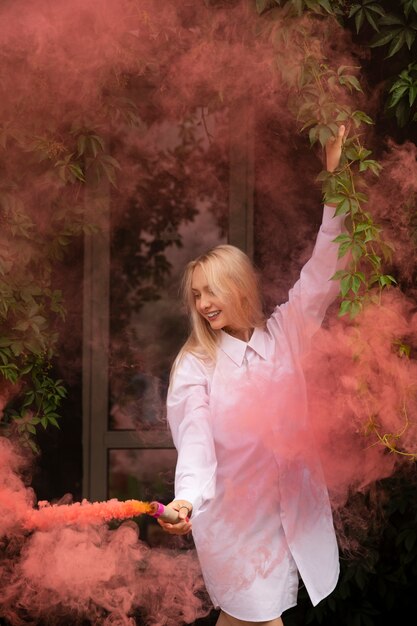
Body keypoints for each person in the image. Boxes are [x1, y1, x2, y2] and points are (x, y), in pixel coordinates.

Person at [158, 126, 347, 626]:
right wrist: (186, 498)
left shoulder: (287, 333)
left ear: (239, 287)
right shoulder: (196, 364)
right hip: (236, 524)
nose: (202, 304)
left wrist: (337, 179)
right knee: (259, 619)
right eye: (196, 295)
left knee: (250, 621)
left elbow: (326, 268)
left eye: (210, 290)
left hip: (288, 515)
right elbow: (194, 443)